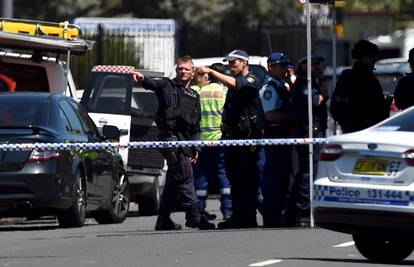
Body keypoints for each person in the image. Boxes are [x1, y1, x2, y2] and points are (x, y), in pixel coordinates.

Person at [133, 56, 215, 231]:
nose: (182, 72)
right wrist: (142, 79)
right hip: (170, 140)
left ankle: (163, 220)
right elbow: (152, 84)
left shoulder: (194, 95)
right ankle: (194, 217)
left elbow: (195, 126)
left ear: (193, 72)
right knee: (185, 176)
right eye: (180, 69)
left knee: (172, 182)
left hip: (185, 142)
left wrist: (196, 147)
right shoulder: (166, 86)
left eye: (186, 69)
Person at [197, 49, 262, 229]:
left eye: (234, 62)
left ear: (244, 63)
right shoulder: (233, 86)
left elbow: (236, 84)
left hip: (247, 140)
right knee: (235, 179)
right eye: (229, 63)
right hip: (232, 139)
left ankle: (248, 218)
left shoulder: (251, 80)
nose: (231, 66)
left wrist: (211, 72)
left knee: (246, 180)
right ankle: (237, 216)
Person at [285, 55, 328, 227]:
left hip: (316, 131)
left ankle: (295, 211)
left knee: (310, 171)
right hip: (309, 132)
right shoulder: (305, 84)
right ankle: (303, 211)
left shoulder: (312, 82)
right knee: (308, 172)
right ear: (303, 67)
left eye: (318, 64)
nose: (318, 67)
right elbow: (315, 101)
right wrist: (325, 92)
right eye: (314, 65)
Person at [258, 52, 295, 228]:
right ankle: (272, 216)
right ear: (271, 67)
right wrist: (292, 117)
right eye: (281, 66)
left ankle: (278, 213)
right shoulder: (270, 87)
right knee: (274, 177)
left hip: (283, 136)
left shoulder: (282, 84)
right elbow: (271, 115)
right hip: (275, 135)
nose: (285, 69)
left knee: (282, 177)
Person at [192, 63, 232, 221]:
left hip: (202, 141)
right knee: (223, 175)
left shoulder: (200, 91)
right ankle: (228, 210)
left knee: (201, 177)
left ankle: (200, 210)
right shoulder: (225, 91)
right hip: (220, 140)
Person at [330, 39, 390, 133]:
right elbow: (378, 111)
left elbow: (334, 108)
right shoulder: (369, 80)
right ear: (367, 58)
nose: (374, 62)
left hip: (347, 132)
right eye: (373, 58)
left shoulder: (345, 77)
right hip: (366, 133)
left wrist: (345, 124)